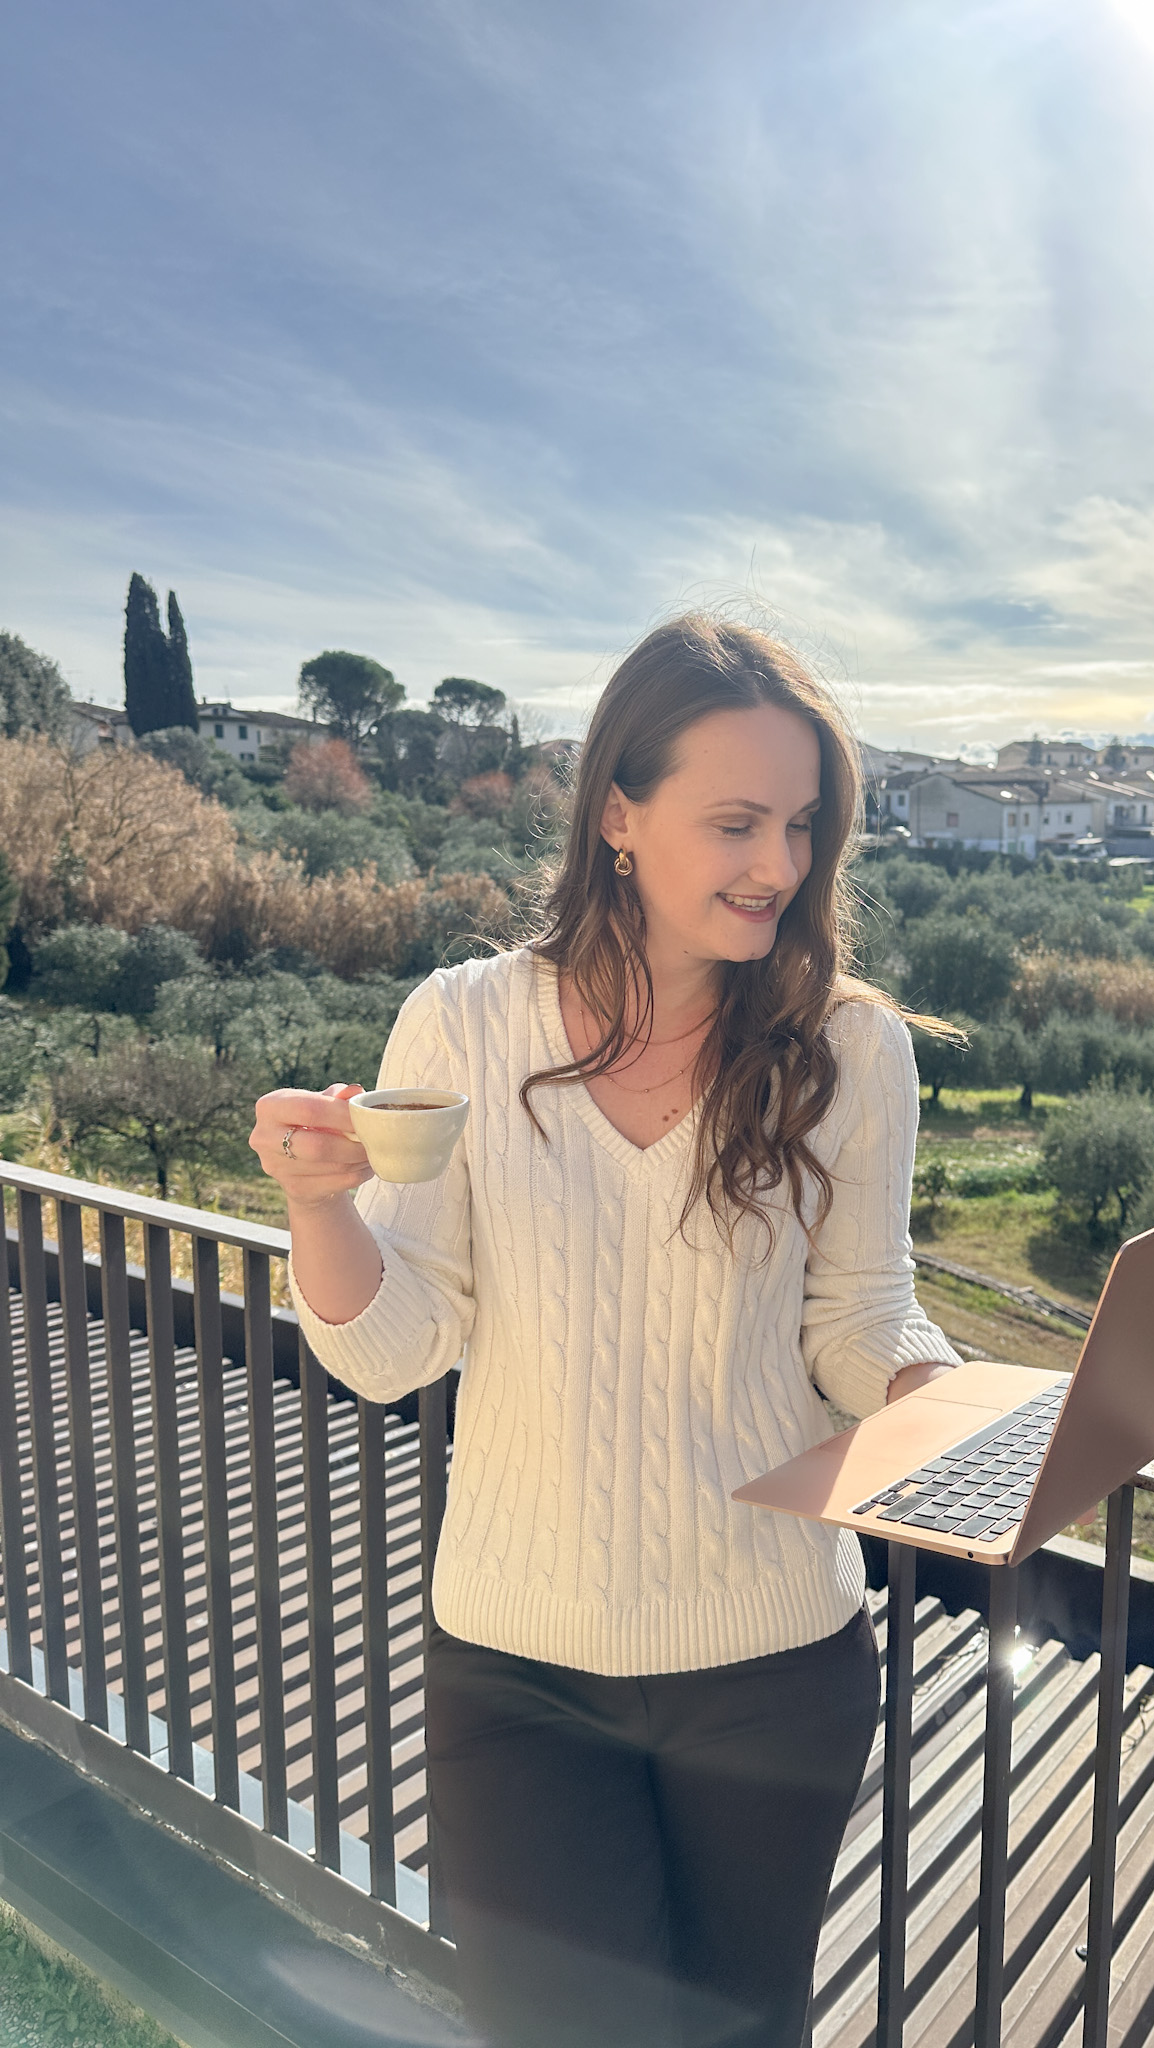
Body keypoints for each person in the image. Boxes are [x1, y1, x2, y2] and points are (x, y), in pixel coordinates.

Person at [249, 615, 961, 2047]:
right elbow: (399, 1345)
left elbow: (855, 1320)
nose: (781, 866)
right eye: (738, 822)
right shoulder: (461, 1025)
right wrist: (320, 1209)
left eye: (805, 826)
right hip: (519, 1672)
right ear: (620, 818)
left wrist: (941, 1398)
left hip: (776, 1663)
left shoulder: (852, 1048)